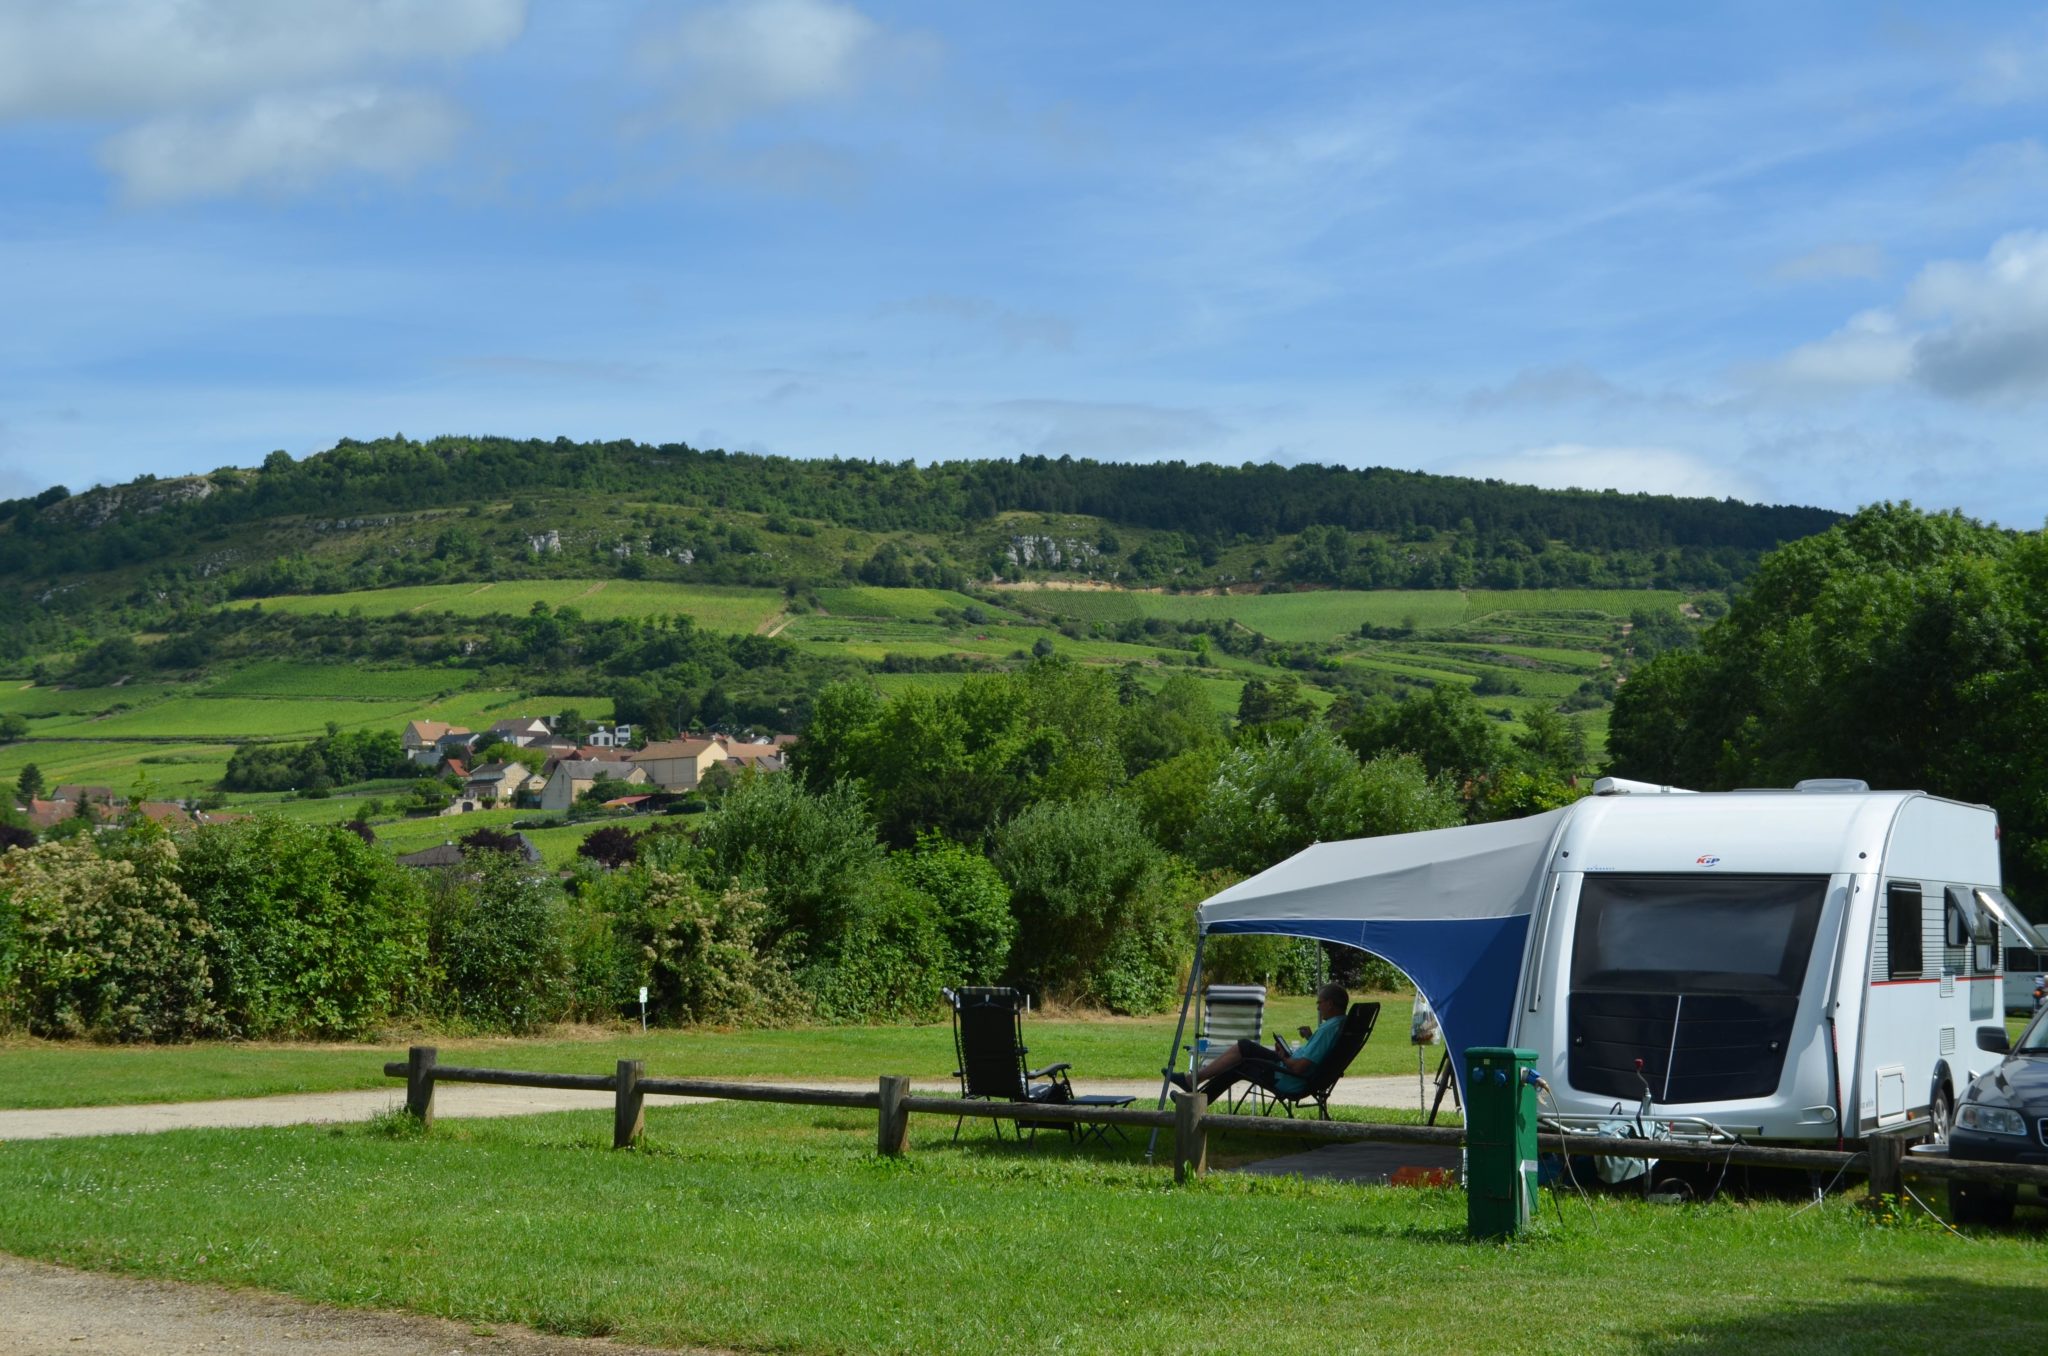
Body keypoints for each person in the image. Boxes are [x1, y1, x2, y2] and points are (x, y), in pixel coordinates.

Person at [1169, 983, 1349, 1105]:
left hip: (1288, 1078)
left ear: (1330, 1003)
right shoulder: (1340, 1025)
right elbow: (1321, 1053)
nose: (1318, 1007)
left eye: (1320, 1003)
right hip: (1294, 1073)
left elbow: (1299, 1068)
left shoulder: (1328, 1030)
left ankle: (1192, 1085)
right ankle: (1193, 1087)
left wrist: (1284, 1056)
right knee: (1244, 1051)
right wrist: (1310, 1039)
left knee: (1242, 1055)